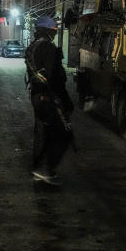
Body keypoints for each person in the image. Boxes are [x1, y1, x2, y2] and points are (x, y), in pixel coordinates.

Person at [25, 16, 73, 185]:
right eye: (54, 30)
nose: (55, 32)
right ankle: (44, 169)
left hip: (37, 94)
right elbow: (54, 78)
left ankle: (38, 167)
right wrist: (64, 100)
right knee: (63, 134)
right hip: (49, 96)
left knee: (41, 131)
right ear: (47, 30)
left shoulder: (32, 47)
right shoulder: (48, 48)